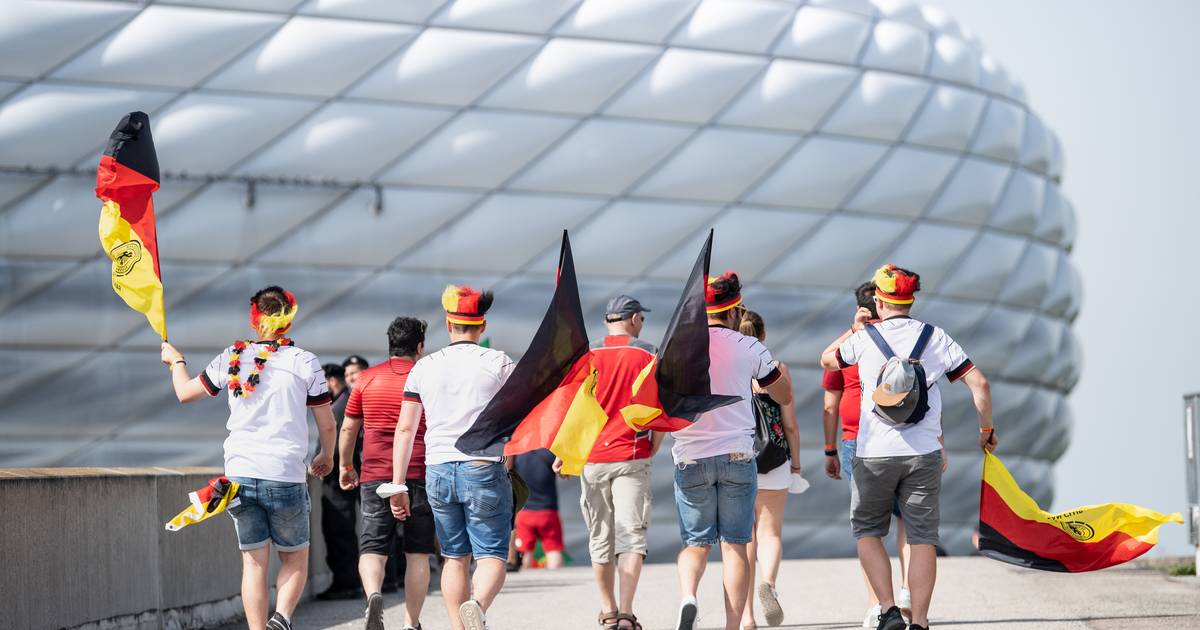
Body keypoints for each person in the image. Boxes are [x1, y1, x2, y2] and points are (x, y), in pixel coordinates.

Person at [820, 265, 996, 630]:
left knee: (869, 531)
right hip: (923, 453)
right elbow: (980, 383)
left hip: (873, 454)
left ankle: (886, 610)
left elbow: (827, 359)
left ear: (879, 301)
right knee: (922, 539)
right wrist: (986, 430)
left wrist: (855, 329)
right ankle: (920, 620)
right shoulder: (934, 336)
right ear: (911, 300)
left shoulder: (865, 338)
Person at [159, 286, 336, 630]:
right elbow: (327, 424)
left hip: (239, 476)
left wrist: (176, 361)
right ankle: (281, 619)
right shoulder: (305, 361)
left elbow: (184, 393)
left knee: (254, 564)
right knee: (295, 557)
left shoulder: (233, 357)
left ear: (254, 319)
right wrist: (326, 455)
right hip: (285, 474)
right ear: (289, 320)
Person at [390, 285, 516, 630]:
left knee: (454, 556)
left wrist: (398, 483)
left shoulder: (424, 367)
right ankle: (477, 604)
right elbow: (520, 412)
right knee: (491, 555)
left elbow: (406, 428)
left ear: (448, 324)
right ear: (482, 325)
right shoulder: (499, 362)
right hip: (483, 465)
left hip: (438, 469)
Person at [673, 273, 794, 630]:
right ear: (733, 310)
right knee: (735, 546)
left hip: (691, 456)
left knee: (696, 544)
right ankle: (732, 625)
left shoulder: (679, 345)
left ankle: (688, 596)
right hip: (737, 456)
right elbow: (784, 395)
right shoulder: (749, 346)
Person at [553, 295, 660, 630]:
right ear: (633, 319)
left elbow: (573, 406)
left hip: (593, 458)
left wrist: (565, 452)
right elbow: (659, 405)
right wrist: (653, 445)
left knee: (600, 538)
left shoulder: (587, 354)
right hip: (632, 456)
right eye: (641, 319)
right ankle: (626, 614)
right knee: (631, 538)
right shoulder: (648, 354)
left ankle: (608, 611)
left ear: (607, 322)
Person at [822, 283, 914, 627]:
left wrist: (829, 449)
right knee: (907, 520)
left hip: (857, 441)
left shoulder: (851, 343)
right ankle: (907, 590)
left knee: (868, 529)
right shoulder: (906, 338)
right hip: (907, 439)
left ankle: (878, 604)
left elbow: (830, 402)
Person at [338, 317, 435, 630]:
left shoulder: (366, 379)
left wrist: (346, 465)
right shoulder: (428, 377)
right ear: (419, 346)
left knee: (372, 547)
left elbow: (348, 428)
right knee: (418, 553)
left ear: (390, 344)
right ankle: (411, 623)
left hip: (375, 475)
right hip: (420, 472)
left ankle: (373, 595)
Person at [737, 311, 801, 630]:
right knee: (770, 533)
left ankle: (747, 617)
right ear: (763, 335)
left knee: (745, 538)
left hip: (740, 457)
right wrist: (796, 463)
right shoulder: (777, 369)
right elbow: (790, 424)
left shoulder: (732, 367)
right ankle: (769, 584)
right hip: (775, 458)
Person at [317, 363, 363, 601]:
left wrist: (322, 463)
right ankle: (348, 580)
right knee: (341, 527)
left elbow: (338, 439)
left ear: (331, 380)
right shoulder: (343, 401)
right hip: (340, 473)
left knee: (339, 527)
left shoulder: (340, 404)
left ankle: (346, 582)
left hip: (338, 476)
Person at [513, 449, 564, 569]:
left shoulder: (518, 454)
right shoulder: (550, 453)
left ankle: (526, 578)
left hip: (524, 512)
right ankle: (555, 577)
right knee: (553, 549)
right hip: (548, 511)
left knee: (525, 551)